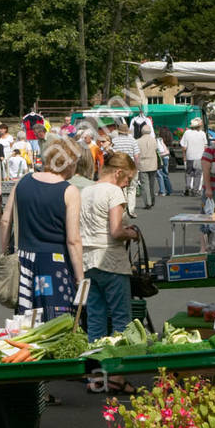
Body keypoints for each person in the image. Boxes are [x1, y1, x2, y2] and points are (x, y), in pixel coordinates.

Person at [0, 136, 83, 321]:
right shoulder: (69, 191)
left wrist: (5, 252)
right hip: (55, 263)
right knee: (56, 322)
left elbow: (5, 221)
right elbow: (73, 240)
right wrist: (80, 277)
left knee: (27, 322)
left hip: (24, 261)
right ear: (69, 164)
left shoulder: (23, 182)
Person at [80, 152, 141, 359]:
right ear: (118, 173)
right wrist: (131, 234)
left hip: (87, 260)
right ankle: (117, 370)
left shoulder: (85, 190)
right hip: (111, 261)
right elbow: (115, 231)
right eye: (127, 179)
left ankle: (95, 369)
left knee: (95, 317)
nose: (126, 184)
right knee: (121, 319)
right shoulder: (114, 192)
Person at [180, 117, 208, 195]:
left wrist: (184, 156)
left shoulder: (187, 133)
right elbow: (205, 147)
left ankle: (188, 188)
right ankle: (195, 190)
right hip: (200, 157)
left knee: (189, 173)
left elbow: (184, 147)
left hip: (190, 157)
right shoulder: (202, 134)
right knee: (198, 175)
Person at [135, 121, 159, 210]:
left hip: (143, 164)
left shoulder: (138, 141)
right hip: (153, 164)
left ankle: (147, 203)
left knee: (145, 184)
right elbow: (157, 149)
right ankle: (152, 200)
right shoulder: (154, 140)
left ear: (142, 131)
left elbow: (137, 153)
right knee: (152, 184)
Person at [155, 128, 174, 197]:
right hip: (166, 157)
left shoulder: (156, 140)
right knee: (165, 174)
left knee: (159, 174)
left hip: (161, 158)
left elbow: (159, 150)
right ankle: (169, 190)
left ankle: (162, 191)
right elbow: (166, 150)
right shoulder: (160, 139)